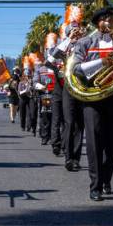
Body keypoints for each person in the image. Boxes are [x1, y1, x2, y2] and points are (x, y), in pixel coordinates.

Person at [72, 7, 113, 202]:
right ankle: (95, 186)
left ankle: (106, 177)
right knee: (94, 141)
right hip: (92, 96)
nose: (108, 22)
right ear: (97, 23)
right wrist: (101, 63)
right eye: (104, 19)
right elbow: (76, 68)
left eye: (112, 19)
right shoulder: (85, 42)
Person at [51, 9, 87, 172]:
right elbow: (50, 60)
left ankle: (76, 158)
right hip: (67, 86)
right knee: (69, 121)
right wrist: (69, 40)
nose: (76, 32)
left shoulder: (86, 42)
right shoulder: (62, 46)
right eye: (73, 30)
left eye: (77, 29)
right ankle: (68, 157)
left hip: (83, 85)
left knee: (80, 123)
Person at [43, 32, 65, 155]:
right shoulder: (54, 60)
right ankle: (55, 144)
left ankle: (65, 143)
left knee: (67, 121)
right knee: (55, 119)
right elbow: (47, 62)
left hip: (69, 93)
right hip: (56, 93)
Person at [32, 47, 58, 146]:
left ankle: (54, 137)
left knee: (57, 117)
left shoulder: (59, 67)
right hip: (46, 95)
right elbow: (35, 82)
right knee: (45, 116)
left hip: (58, 95)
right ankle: (45, 136)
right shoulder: (40, 69)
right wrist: (42, 86)